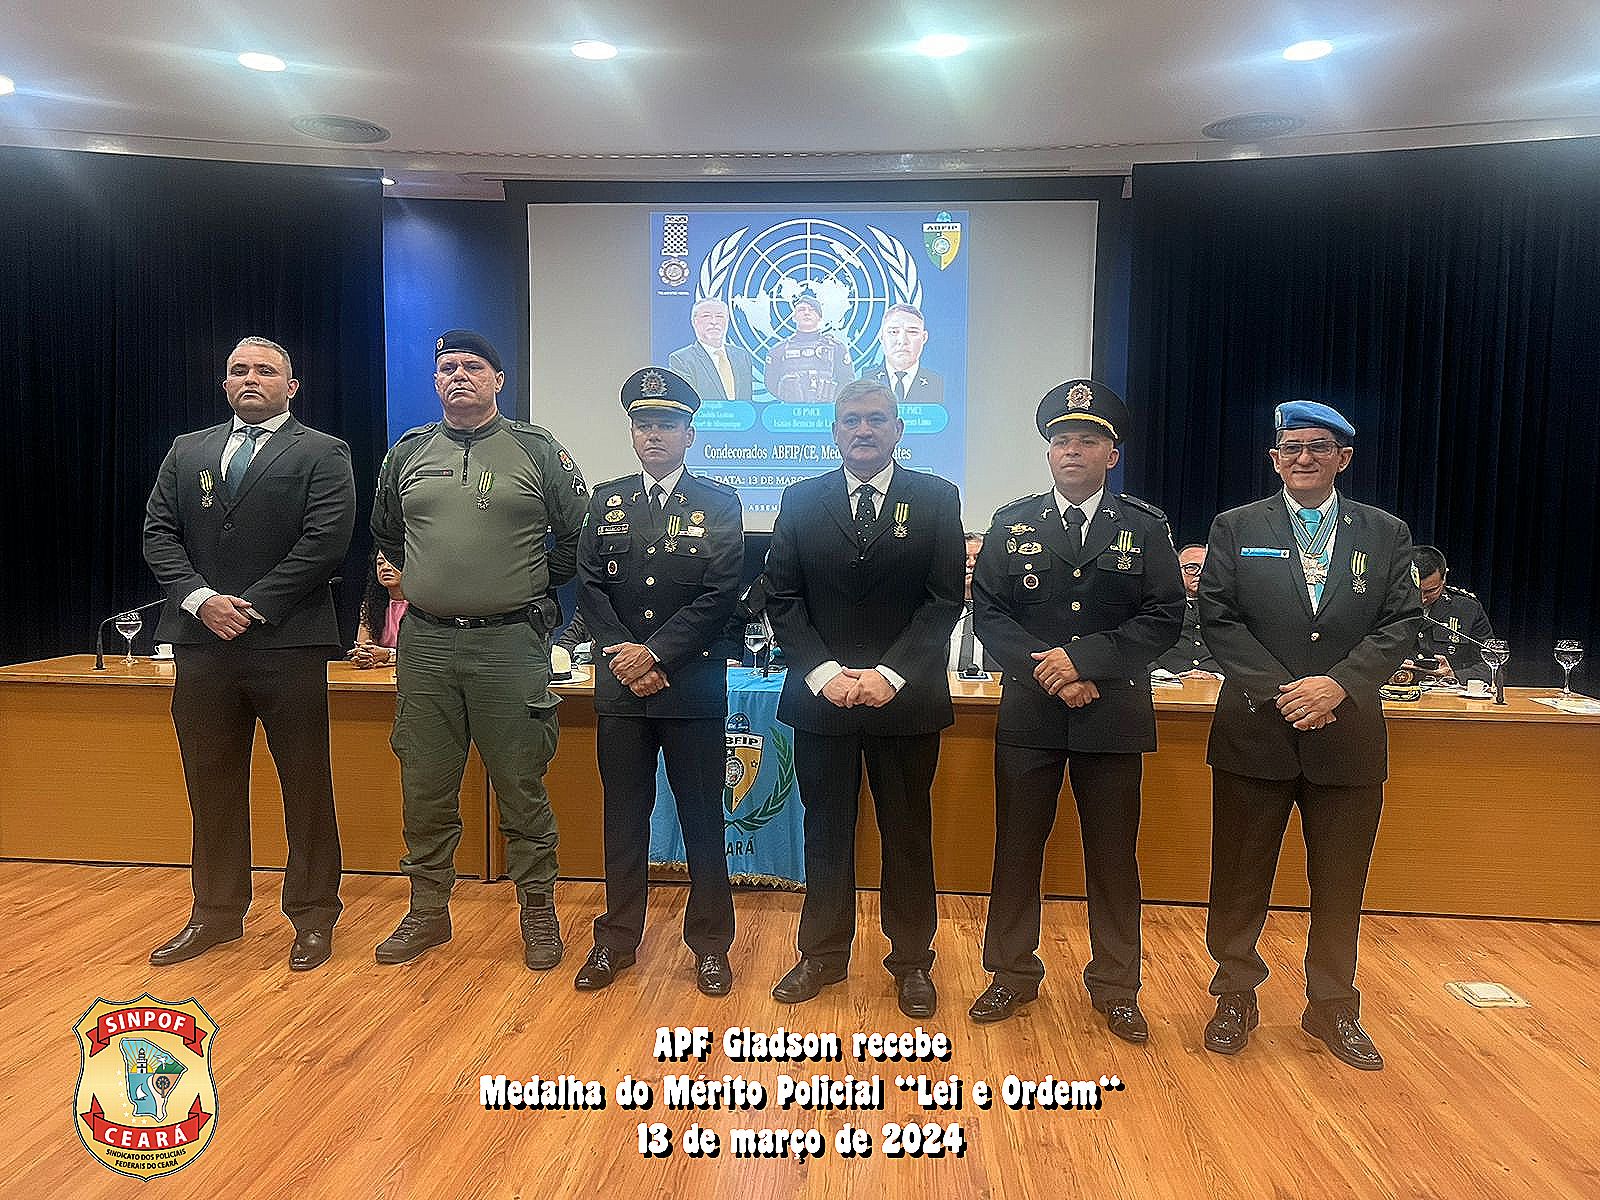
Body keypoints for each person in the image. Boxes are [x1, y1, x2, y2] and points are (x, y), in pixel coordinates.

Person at [1198, 400, 1420, 1071]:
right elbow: (1218, 617)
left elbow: (1400, 621)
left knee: (1339, 884)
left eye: (1317, 447)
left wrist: (1338, 686)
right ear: (1274, 458)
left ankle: (1332, 1007)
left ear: (1343, 458)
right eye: (1289, 447)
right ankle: (1235, 996)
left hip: (1346, 736)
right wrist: (1287, 691)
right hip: (1255, 735)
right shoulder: (1237, 526)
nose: (1302, 458)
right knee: (1239, 880)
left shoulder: (1385, 534)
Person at [968, 380, 1185, 1037]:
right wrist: (1053, 673)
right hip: (1033, 713)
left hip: (1111, 713)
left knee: (1114, 857)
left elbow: (1166, 616)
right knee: (1016, 851)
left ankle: (1117, 986)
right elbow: (991, 616)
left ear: (1111, 454)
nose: (1071, 450)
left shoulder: (1144, 528)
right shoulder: (1012, 524)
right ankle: (1010, 976)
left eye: (1087, 440)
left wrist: (1085, 663)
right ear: (1049, 452)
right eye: (1061, 440)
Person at [370, 330, 588, 969]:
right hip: (428, 645)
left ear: (498, 380)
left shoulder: (534, 449)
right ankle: (428, 912)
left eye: (472, 367)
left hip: (509, 645)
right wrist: (426, 581)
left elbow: (580, 536)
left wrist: (529, 586)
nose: (457, 376)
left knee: (521, 784)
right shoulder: (409, 452)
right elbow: (385, 533)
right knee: (425, 784)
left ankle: (539, 914)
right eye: (446, 368)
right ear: (436, 381)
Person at [142, 336, 356, 972]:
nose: (251, 378)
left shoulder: (323, 451)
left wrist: (253, 604)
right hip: (201, 642)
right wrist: (202, 600)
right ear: (225, 383)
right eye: (239, 370)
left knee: (306, 782)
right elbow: (158, 533)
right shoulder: (188, 451)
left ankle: (314, 916)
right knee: (210, 783)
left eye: (266, 370)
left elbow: (326, 542)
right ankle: (215, 913)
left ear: (292, 386)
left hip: (287, 642)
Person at [765, 379, 965, 1017]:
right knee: (826, 833)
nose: (863, 430)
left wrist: (891, 674)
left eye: (876, 420)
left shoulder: (935, 498)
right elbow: (783, 597)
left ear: (898, 429)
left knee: (907, 832)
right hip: (822, 700)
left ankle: (911, 962)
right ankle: (821, 955)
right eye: (850, 420)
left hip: (904, 704)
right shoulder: (799, 500)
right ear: (833, 431)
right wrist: (824, 673)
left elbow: (943, 600)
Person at [572, 367, 744, 996]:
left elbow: (720, 593)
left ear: (689, 433)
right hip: (620, 686)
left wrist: (658, 657)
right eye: (642, 425)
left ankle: (710, 945)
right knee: (624, 817)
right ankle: (616, 941)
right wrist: (625, 654)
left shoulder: (719, 504)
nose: (652, 436)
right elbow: (588, 583)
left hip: (691, 686)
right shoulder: (606, 499)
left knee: (703, 819)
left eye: (665, 426)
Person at [1405, 545, 1493, 685]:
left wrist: (1454, 675)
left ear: (1444, 578)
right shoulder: (1384, 606)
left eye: (1431, 591)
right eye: (1414, 591)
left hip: (1449, 698)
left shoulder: (1467, 609)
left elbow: (1493, 667)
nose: (1422, 599)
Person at [763, 291, 854, 403]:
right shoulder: (778, 350)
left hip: (827, 412)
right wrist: (790, 396)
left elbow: (847, 380)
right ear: (794, 317)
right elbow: (771, 383)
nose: (807, 313)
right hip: (790, 415)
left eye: (812, 310)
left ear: (820, 317)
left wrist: (834, 400)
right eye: (801, 310)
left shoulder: (837, 348)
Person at [667, 298, 755, 402]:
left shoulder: (742, 356)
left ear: (727, 321)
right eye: (706, 316)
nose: (714, 322)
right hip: (705, 417)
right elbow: (687, 401)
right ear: (695, 322)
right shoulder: (681, 359)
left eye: (719, 316)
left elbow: (746, 400)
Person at [1154, 544, 1220, 676]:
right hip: (1166, 684)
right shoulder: (1157, 607)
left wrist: (1219, 676)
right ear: (1176, 571)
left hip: (1219, 685)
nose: (1200, 573)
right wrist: (1161, 675)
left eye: (1206, 568)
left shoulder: (1227, 609)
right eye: (1191, 567)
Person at [865, 304, 944, 406]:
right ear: (881, 337)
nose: (902, 341)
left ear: (924, 338)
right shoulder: (865, 380)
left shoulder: (938, 383)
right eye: (893, 332)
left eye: (912, 332)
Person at [348, 547, 406, 669]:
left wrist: (387, 655)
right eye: (380, 563)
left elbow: (427, 654)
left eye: (392, 562)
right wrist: (363, 655)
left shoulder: (424, 603)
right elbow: (363, 645)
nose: (385, 568)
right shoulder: (371, 604)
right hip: (381, 674)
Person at [948, 533, 991, 673]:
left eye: (977, 558)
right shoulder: (938, 611)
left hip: (995, 691)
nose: (971, 563)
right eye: (965, 558)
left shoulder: (1002, 611)